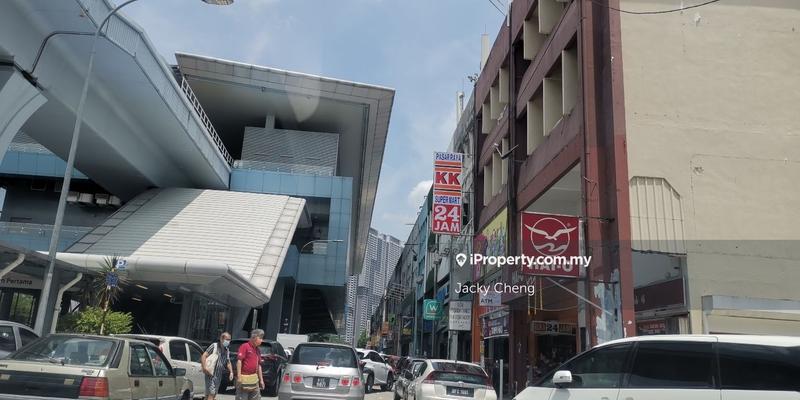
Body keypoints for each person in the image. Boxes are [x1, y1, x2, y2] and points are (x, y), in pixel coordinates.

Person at [201, 332, 233, 400]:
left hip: (219, 375)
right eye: (227, 339)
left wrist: (231, 372)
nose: (228, 341)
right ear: (221, 339)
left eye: (229, 340)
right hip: (210, 374)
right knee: (212, 393)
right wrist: (204, 367)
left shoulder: (227, 350)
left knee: (213, 394)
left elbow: (228, 362)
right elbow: (204, 355)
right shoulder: (214, 346)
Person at [236, 329, 265, 400]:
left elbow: (259, 366)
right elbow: (239, 361)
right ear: (254, 337)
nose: (262, 340)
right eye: (260, 338)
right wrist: (239, 377)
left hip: (254, 379)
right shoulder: (245, 346)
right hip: (244, 379)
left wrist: (261, 380)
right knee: (242, 398)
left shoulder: (258, 350)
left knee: (256, 398)